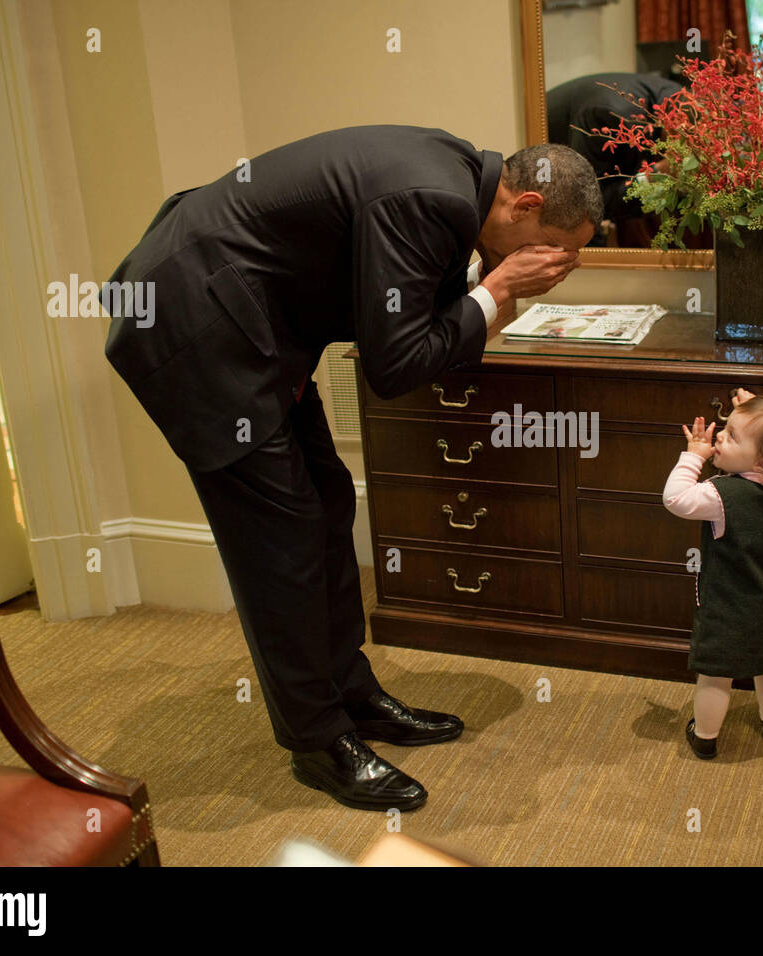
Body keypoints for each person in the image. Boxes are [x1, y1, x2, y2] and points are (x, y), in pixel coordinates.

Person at [102, 127, 601, 812]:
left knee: (328, 504)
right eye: (556, 251)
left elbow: (384, 304)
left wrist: (488, 287)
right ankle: (317, 741)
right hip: (198, 324)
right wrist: (495, 292)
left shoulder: (457, 183)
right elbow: (394, 366)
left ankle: (352, 695)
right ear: (526, 205)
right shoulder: (430, 196)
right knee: (280, 543)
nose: (553, 268)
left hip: (258, 321)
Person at [662, 388, 763, 759]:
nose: (718, 437)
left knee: (715, 675)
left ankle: (706, 737)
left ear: (762, 463)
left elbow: (675, 499)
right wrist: (753, 409)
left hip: (727, 609)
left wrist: (692, 457)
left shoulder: (719, 495)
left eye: (731, 436)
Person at [546, 71, 685, 245]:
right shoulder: (609, 116)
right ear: (675, 129)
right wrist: (658, 175)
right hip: (545, 173)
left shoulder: (679, 97)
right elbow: (588, 203)